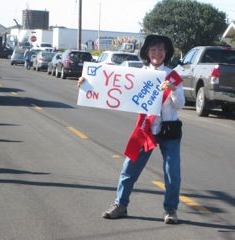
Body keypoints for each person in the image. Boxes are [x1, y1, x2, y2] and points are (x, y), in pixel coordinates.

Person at [77, 34, 185, 224]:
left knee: (172, 173)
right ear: (147, 52)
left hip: (169, 130)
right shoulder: (139, 73)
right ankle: (121, 205)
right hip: (146, 129)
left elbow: (180, 105)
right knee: (129, 168)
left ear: (166, 52)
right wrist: (86, 83)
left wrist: (174, 90)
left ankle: (171, 210)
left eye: (161, 49)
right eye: (153, 49)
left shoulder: (173, 75)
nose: (157, 53)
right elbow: (109, 83)